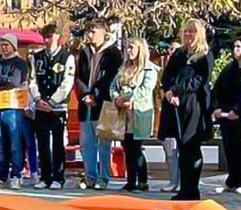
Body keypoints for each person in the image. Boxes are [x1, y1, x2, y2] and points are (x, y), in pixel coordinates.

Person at [160, 19, 213, 200]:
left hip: (193, 105)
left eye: (192, 32)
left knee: (191, 146)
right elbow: (167, 75)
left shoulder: (204, 55)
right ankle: (184, 189)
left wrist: (177, 90)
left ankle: (192, 190)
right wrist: (169, 91)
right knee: (181, 147)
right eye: (186, 31)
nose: (189, 35)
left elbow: (199, 80)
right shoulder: (179, 53)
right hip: (175, 105)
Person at [76, 20, 123, 190]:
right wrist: (84, 95)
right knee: (86, 143)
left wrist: (95, 95)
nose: (90, 35)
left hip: (103, 104)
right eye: (88, 31)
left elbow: (110, 78)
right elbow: (79, 76)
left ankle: (103, 178)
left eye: (93, 31)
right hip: (86, 105)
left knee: (104, 144)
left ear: (104, 33)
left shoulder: (113, 53)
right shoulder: (85, 52)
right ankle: (90, 176)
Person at [31, 23, 76, 190]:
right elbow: (32, 80)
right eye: (45, 37)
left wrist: (53, 101)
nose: (46, 40)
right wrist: (37, 99)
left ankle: (58, 177)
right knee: (42, 143)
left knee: (58, 143)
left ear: (57, 36)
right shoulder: (37, 57)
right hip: (41, 106)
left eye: (49, 37)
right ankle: (45, 177)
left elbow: (67, 83)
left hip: (58, 108)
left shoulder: (67, 57)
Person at [111, 38, 158, 192]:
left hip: (139, 112)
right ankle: (131, 180)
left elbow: (145, 89)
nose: (128, 50)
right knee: (127, 147)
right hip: (123, 113)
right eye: (127, 47)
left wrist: (128, 98)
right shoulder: (124, 68)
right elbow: (113, 86)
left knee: (136, 147)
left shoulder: (149, 69)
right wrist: (116, 99)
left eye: (131, 47)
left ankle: (142, 181)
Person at [212, 37, 241, 193]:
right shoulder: (229, 69)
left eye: (239, 47)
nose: (235, 50)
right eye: (234, 47)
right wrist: (216, 108)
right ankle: (233, 180)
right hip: (226, 115)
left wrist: (237, 110)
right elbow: (217, 90)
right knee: (230, 148)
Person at [0, 34, 31, 189]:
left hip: (12, 108)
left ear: (13, 46)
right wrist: (3, 80)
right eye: (2, 45)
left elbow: (15, 81)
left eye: (6, 45)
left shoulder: (20, 63)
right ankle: (2, 175)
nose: (4, 48)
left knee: (15, 144)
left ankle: (16, 175)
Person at [157, 40, 183, 192]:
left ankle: (181, 181)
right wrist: (168, 93)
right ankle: (173, 180)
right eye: (170, 49)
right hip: (168, 110)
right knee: (168, 147)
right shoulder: (166, 69)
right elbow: (164, 83)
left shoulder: (185, 67)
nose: (171, 52)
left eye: (175, 49)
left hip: (180, 110)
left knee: (180, 149)